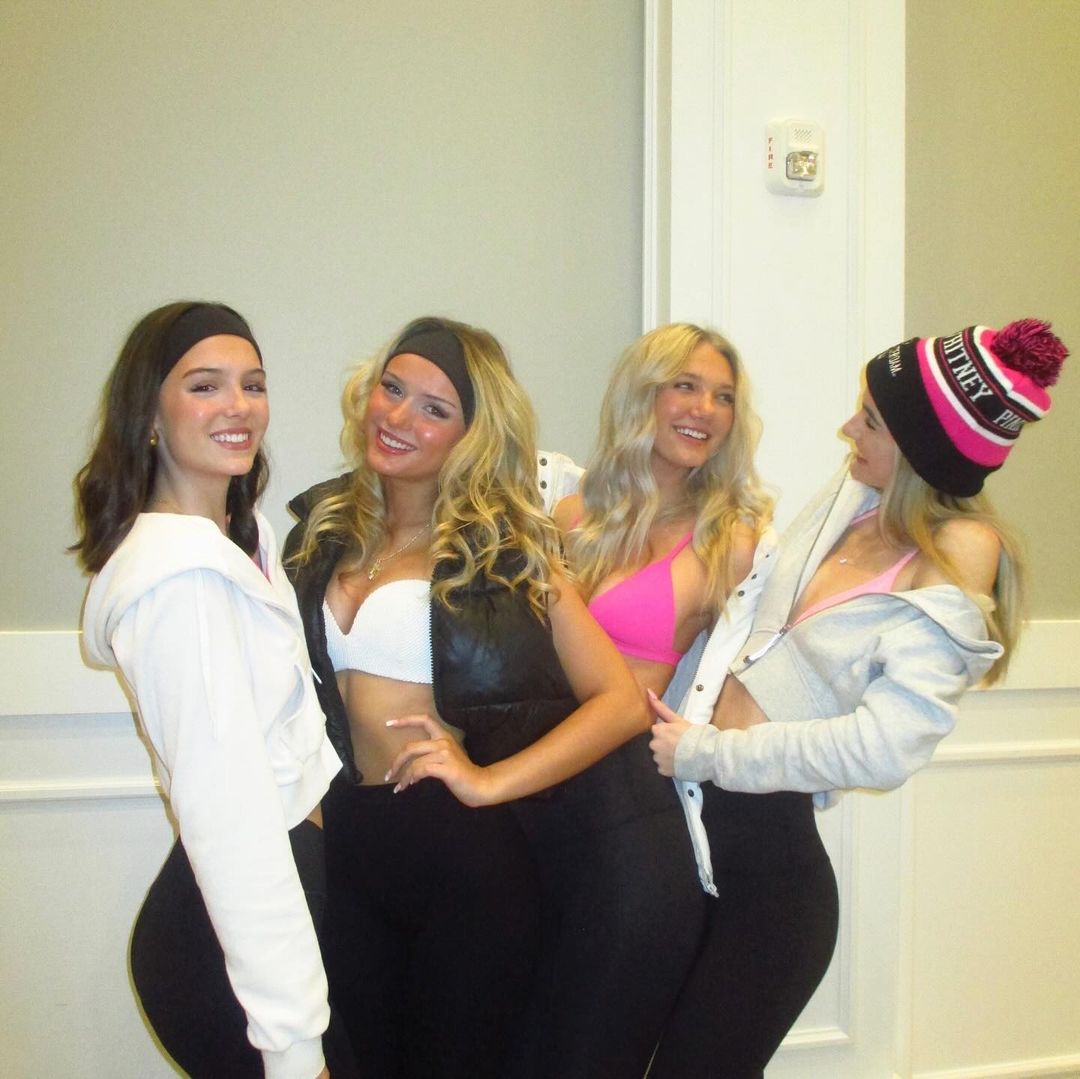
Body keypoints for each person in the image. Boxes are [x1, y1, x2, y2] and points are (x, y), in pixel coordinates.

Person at [647, 318, 1069, 1077]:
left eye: (870, 419)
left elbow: (886, 746)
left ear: (921, 447)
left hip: (768, 880)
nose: (848, 430)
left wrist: (708, 752)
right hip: (687, 830)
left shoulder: (960, 549)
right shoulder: (852, 507)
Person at [283, 316, 646, 1079]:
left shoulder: (504, 550)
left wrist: (488, 781)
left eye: (434, 408)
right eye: (392, 388)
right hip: (344, 840)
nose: (399, 416)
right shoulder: (323, 531)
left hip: (457, 856)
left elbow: (618, 700)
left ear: (470, 436)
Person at [75, 302, 353, 1078]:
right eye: (205, 386)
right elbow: (231, 823)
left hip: (277, 908)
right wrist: (293, 1047)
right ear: (149, 414)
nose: (239, 406)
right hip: (228, 949)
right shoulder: (181, 585)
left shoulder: (242, 535)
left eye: (252, 384)